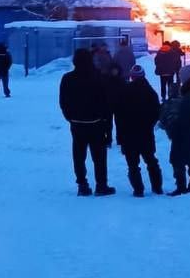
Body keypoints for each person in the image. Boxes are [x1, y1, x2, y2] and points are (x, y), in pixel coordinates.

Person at [59, 47, 115, 196]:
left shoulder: (67, 78)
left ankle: (82, 185)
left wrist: (70, 117)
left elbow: (63, 102)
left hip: (77, 124)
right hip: (96, 123)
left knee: (78, 155)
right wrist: (108, 127)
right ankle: (101, 185)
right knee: (99, 157)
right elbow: (106, 104)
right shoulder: (99, 77)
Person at [116, 65, 163, 197]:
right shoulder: (150, 92)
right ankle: (157, 187)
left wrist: (120, 137)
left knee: (132, 164)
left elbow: (118, 116)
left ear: (131, 77)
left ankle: (138, 190)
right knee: (151, 161)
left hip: (128, 135)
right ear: (143, 76)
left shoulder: (124, 92)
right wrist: (148, 124)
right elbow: (156, 112)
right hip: (145, 134)